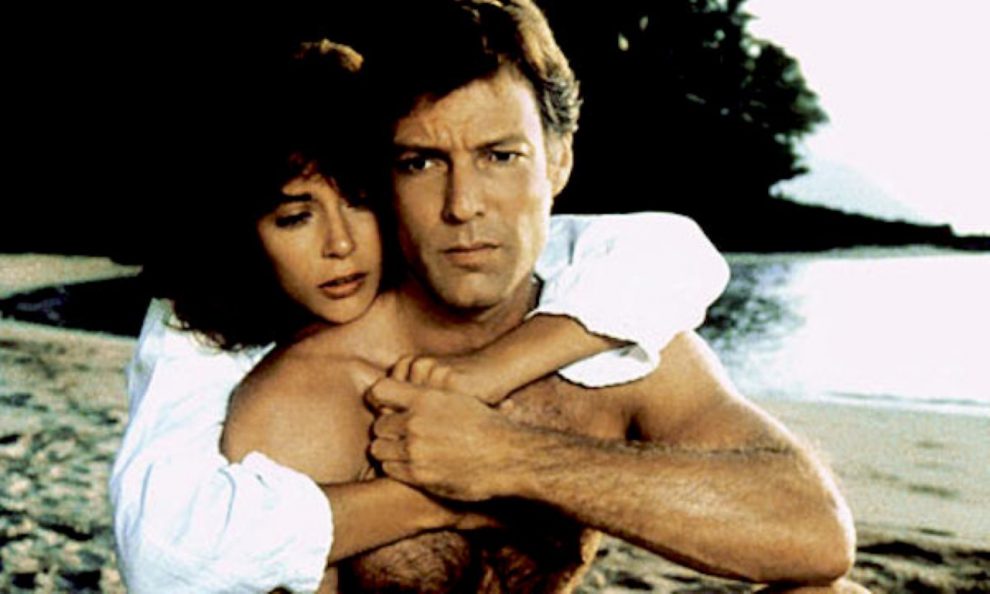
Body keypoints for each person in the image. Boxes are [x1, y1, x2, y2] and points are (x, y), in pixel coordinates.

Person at [221, 1, 856, 592]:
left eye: (500, 157)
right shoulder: (304, 398)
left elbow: (816, 532)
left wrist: (508, 457)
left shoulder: (610, 339)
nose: (462, 205)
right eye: (421, 162)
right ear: (384, 181)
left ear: (558, 163)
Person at [110, 33, 731, 593]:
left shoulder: (481, 256)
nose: (339, 245)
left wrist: (492, 374)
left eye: (361, 201)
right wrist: (441, 501)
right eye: (295, 217)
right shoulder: (198, 336)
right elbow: (164, 556)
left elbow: (669, 253)